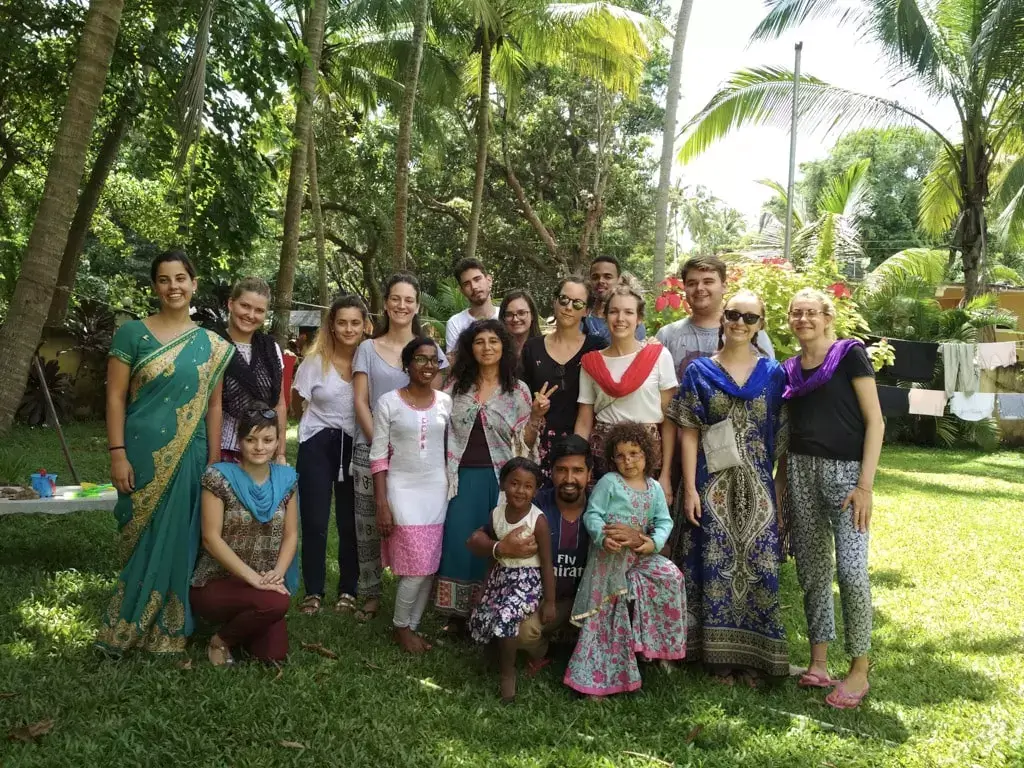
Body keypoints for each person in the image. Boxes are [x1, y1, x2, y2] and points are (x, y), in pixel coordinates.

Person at [97, 250, 234, 655]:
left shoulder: (211, 345)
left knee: (180, 536)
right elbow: (116, 398)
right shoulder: (132, 334)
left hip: (191, 454)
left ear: (193, 283)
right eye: (163, 279)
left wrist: (213, 462)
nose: (173, 286)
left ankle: (169, 627)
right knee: (143, 533)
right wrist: (117, 453)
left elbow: (214, 407)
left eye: (180, 278)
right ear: (155, 286)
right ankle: (127, 621)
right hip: (139, 449)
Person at [668, 290, 789, 686]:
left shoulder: (774, 375)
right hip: (710, 484)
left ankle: (755, 656)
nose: (740, 323)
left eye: (750, 318)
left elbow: (783, 438)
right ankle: (715, 657)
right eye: (734, 315)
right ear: (723, 318)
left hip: (757, 487)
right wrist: (689, 488)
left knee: (757, 566)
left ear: (761, 325)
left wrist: (779, 491)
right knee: (711, 565)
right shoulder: (700, 372)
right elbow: (688, 433)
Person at [780, 287, 882, 709]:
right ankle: (819, 663)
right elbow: (786, 436)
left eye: (810, 313)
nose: (802, 319)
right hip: (801, 471)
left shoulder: (849, 354)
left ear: (826, 318)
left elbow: (875, 421)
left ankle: (859, 670)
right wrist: (782, 484)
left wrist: (865, 486)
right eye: (795, 313)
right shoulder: (789, 369)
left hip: (847, 478)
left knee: (853, 572)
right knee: (813, 570)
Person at [434, 319, 546, 627]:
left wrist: (535, 417)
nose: (487, 347)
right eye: (480, 341)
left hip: (500, 478)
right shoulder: (455, 388)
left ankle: (488, 608)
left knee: (495, 539)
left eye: (493, 341)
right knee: (459, 539)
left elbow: (526, 445)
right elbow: (440, 428)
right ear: (471, 348)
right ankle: (456, 615)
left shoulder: (518, 390)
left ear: (504, 347)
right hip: (461, 475)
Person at [564, 422, 685, 698]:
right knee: (609, 609)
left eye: (634, 453)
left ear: (647, 455)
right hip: (609, 557)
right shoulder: (609, 483)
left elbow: (663, 521)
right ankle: (596, 675)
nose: (628, 460)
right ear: (612, 458)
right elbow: (592, 515)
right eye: (620, 455)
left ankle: (655, 648)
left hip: (639, 555)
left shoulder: (653, 488)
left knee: (671, 576)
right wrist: (601, 537)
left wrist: (651, 543)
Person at [353, 273, 448, 621]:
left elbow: (436, 401)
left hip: (418, 459)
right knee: (370, 524)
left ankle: (410, 596)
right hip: (372, 446)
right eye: (395, 298)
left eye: (409, 300)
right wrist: (383, 442)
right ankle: (370, 592)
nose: (402, 305)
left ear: (417, 306)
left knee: (412, 527)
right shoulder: (367, 348)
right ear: (386, 303)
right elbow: (361, 401)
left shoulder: (429, 350)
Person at [467, 435, 606, 672]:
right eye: (561, 470)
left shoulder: (602, 505)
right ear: (550, 472)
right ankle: (543, 650)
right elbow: (475, 539)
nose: (569, 479)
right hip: (542, 601)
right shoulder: (533, 504)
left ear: (589, 474)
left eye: (578, 470)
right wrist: (500, 547)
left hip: (591, 599)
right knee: (520, 632)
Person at [190, 407, 299, 666]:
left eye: (267, 440)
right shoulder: (218, 477)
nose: (259, 447)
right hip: (217, 582)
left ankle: (243, 626)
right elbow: (211, 539)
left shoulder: (287, 480)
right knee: (276, 603)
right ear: (239, 441)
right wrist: (254, 579)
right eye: (251, 439)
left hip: (264, 582)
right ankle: (220, 640)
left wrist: (276, 574)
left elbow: (291, 535)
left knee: (273, 655)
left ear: (277, 442)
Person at [370, 337, 452, 654]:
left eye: (434, 360)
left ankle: (412, 626)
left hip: (437, 490)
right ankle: (401, 628)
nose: (429, 365)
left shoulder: (446, 402)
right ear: (407, 364)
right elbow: (378, 456)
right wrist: (381, 503)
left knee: (429, 566)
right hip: (402, 490)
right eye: (421, 358)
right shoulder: (388, 402)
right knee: (416, 568)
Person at [292, 295, 367, 616]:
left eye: (355, 322)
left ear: (365, 325)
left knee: (350, 521)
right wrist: (312, 421)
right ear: (332, 326)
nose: (349, 329)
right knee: (315, 520)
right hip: (317, 445)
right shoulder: (314, 362)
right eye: (342, 322)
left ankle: (349, 589)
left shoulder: (369, 362)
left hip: (355, 446)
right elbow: (297, 403)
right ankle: (313, 591)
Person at [574, 284, 677, 497]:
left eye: (629, 312)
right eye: (614, 311)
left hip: (647, 456)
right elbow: (584, 420)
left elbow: (669, 420)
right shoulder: (592, 363)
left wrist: (666, 473)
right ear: (604, 315)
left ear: (639, 318)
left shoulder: (658, 356)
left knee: (644, 524)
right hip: (604, 454)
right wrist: (578, 465)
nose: (620, 318)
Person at [468, 458, 555, 702]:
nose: (520, 490)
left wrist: (549, 601)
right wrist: (485, 587)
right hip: (501, 576)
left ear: (536, 490)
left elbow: (547, 563)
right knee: (483, 612)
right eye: (514, 483)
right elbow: (495, 556)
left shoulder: (537, 520)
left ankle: (509, 674)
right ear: (503, 484)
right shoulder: (496, 514)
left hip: (526, 581)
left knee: (506, 616)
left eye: (528, 486)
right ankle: (492, 658)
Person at [520, 277, 607, 479]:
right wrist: (535, 407)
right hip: (539, 445)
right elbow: (520, 399)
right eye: (564, 300)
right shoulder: (532, 348)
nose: (569, 307)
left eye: (577, 303)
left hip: (584, 445)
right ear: (555, 302)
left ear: (586, 311)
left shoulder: (596, 347)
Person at [656, 255, 775, 379]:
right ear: (684, 288)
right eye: (692, 283)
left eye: (708, 282)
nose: (700, 288)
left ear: (724, 287)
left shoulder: (747, 332)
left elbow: (769, 380)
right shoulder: (667, 336)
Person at [220, 277, 287, 464]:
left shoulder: (270, 349)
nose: (251, 315)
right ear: (231, 304)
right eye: (245, 306)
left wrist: (280, 452)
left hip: (262, 452)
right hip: (221, 449)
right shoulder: (213, 343)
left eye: (259, 310)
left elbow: (279, 404)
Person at [582, 256, 647, 343]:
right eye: (595, 277)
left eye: (608, 277)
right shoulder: (580, 316)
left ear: (619, 279)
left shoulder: (629, 322)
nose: (600, 281)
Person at [445, 258, 499, 354]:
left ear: (489, 280)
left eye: (477, 279)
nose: (474, 287)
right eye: (467, 284)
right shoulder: (455, 323)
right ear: (462, 291)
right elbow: (454, 362)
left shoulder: (507, 316)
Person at [499, 290, 542, 359]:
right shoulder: (497, 352)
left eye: (521, 313)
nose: (515, 319)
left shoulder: (545, 349)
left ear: (532, 315)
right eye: (509, 314)